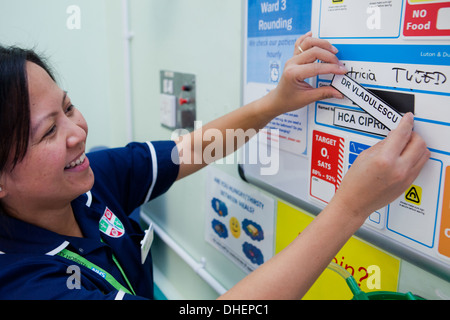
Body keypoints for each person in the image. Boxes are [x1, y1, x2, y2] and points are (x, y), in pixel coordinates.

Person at [0, 32, 430, 300]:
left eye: (69, 107)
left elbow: (189, 151)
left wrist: (273, 104)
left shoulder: (86, 184)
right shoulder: (24, 285)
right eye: (48, 132)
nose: (78, 132)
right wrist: (351, 208)